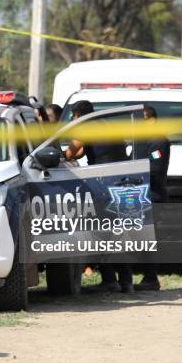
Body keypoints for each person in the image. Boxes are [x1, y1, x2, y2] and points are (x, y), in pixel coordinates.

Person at [64, 100, 132, 293]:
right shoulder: (107, 125)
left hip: (103, 183)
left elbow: (73, 149)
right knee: (119, 233)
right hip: (121, 181)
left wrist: (64, 155)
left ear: (78, 115)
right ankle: (126, 282)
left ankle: (110, 279)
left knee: (101, 233)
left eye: (74, 116)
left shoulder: (86, 126)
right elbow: (85, 150)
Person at [134, 106, 170, 291]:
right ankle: (148, 276)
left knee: (149, 238)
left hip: (152, 195)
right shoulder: (143, 140)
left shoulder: (158, 141)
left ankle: (151, 278)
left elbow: (155, 168)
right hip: (141, 195)